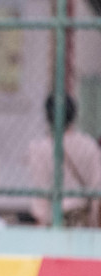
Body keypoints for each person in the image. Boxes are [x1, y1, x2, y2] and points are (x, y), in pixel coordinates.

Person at [26, 93, 101, 227]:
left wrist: (40, 222)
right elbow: (96, 186)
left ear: (48, 116)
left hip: (54, 217)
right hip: (83, 217)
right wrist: (94, 222)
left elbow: (41, 191)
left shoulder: (39, 148)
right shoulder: (89, 145)